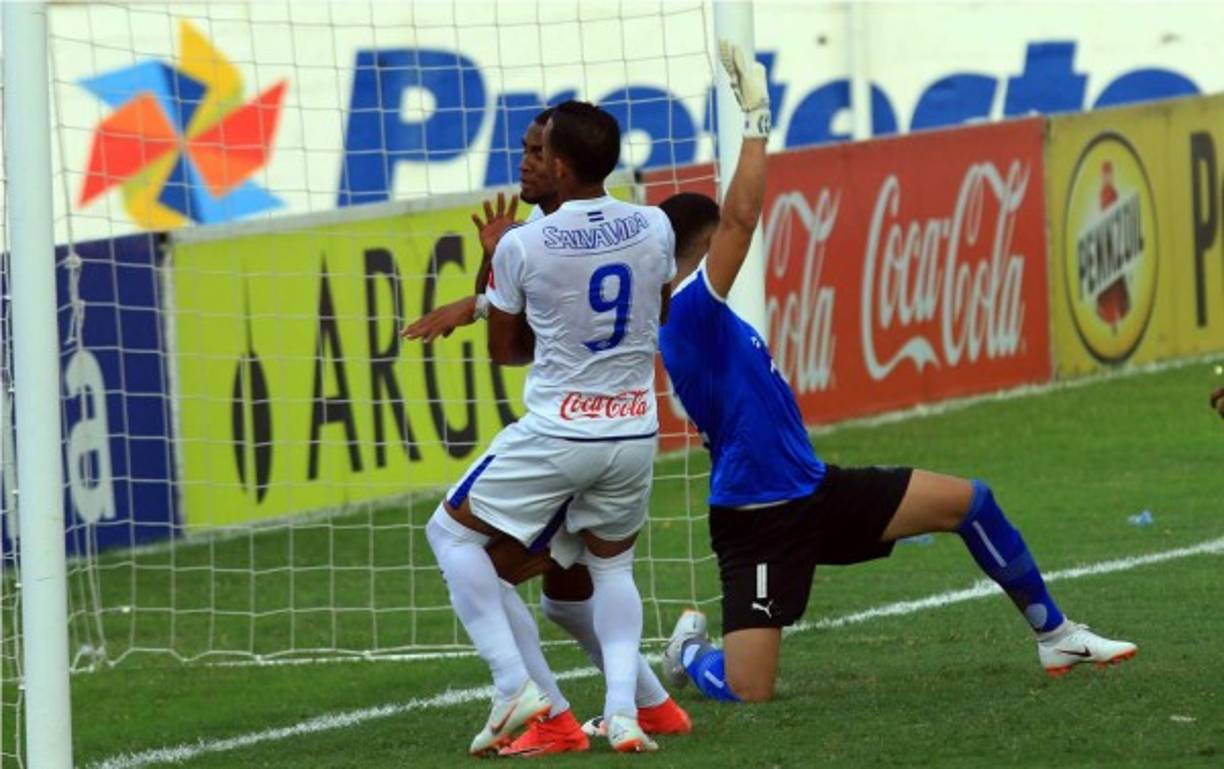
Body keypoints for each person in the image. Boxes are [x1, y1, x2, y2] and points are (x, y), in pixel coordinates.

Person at [651, 44, 1137, 703]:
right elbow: (741, 217)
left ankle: (1057, 634)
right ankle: (690, 653)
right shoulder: (687, 312)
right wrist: (757, 121)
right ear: (706, 248)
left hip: (814, 490)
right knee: (749, 689)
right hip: (757, 518)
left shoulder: (707, 316)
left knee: (970, 501)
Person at [405, 107, 692, 757]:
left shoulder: (524, 244)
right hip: (635, 428)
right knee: (598, 576)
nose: (526, 161)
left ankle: (520, 690)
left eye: (538, 151)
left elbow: (507, 352)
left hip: (561, 434)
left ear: (561, 165)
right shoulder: (653, 223)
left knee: (453, 537)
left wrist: (494, 281)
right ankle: (635, 709)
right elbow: (658, 312)